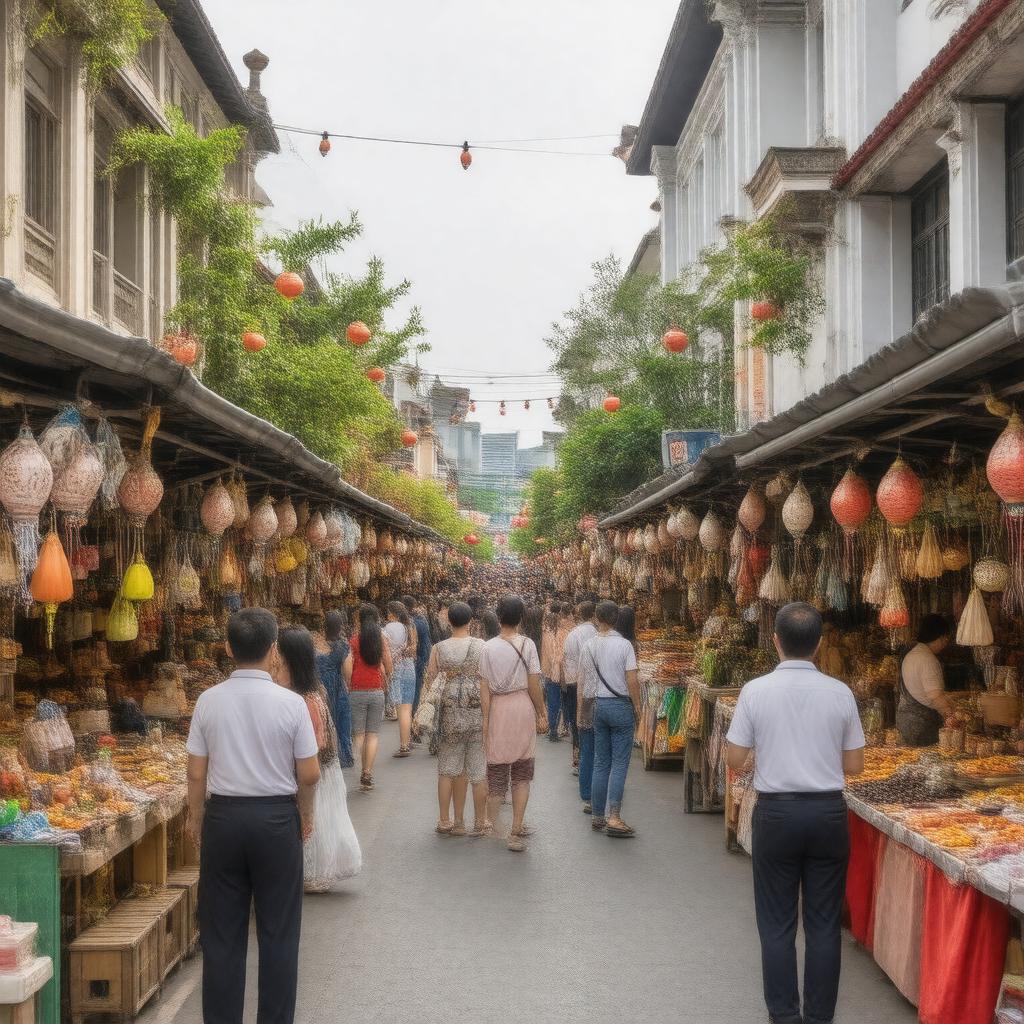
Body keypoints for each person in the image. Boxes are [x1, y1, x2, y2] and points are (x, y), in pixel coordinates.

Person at [726, 602, 865, 1024]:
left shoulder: (755, 691)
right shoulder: (840, 692)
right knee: (824, 925)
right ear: (820, 645)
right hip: (827, 815)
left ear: (775, 641)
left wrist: (765, 758)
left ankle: (784, 1016)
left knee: (776, 925)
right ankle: (819, 1017)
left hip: (777, 816)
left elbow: (735, 756)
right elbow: (855, 765)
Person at [185, 608, 320, 1024]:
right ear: (274, 650)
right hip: (277, 820)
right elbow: (310, 773)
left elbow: (195, 771)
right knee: (279, 933)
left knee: (222, 936)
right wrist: (304, 814)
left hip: (224, 819)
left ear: (228, 648)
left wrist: (195, 818)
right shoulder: (292, 703)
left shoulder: (208, 701)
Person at [277, 627, 362, 891]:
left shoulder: (306, 699)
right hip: (316, 769)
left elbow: (314, 747)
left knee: (314, 820)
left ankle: (311, 873)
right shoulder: (310, 690)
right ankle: (309, 872)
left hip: (312, 771)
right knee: (319, 820)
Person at [479, 595, 547, 852]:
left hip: (498, 708)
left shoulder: (487, 648)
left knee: (496, 770)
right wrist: (541, 713)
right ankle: (516, 828)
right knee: (522, 771)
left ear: (498, 618)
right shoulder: (528, 645)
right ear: (521, 618)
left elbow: (484, 688)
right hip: (522, 708)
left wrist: (486, 720)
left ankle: (494, 826)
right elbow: (533, 683)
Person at [419, 601, 489, 837]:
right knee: (478, 770)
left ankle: (449, 820)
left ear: (448, 621)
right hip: (476, 707)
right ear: (471, 621)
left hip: (450, 710)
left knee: (448, 768)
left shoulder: (439, 648)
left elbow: (430, 679)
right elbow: (487, 679)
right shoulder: (481, 646)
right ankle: (480, 822)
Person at [580, 600, 641, 837]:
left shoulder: (589, 646)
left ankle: (597, 815)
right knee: (619, 763)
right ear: (615, 619)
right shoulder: (625, 645)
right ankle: (614, 816)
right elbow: (632, 680)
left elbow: (585, 683)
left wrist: (584, 710)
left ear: (597, 618)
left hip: (598, 706)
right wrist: (637, 707)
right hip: (620, 706)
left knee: (600, 762)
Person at [344, 604, 393, 792]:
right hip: (376, 690)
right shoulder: (380, 640)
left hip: (357, 690)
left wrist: (350, 682)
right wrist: (386, 675)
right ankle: (367, 771)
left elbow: (348, 664)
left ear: (360, 620)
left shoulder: (354, 640)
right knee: (372, 734)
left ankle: (359, 768)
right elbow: (388, 664)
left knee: (359, 734)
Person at [896, 613, 953, 746]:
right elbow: (935, 696)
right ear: (941, 637)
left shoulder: (911, 652)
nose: (945, 643)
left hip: (905, 720)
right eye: (946, 639)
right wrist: (950, 717)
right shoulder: (928, 659)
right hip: (922, 725)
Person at [564, 600, 597, 802]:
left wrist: (567, 685)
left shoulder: (573, 634)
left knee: (580, 728)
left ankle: (579, 762)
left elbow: (568, 661)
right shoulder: (598, 635)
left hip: (577, 684)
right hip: (597, 690)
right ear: (593, 615)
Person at [314, 609, 353, 768]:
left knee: (323, 720)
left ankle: (325, 754)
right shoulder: (343, 646)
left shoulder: (315, 646)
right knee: (342, 721)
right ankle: (344, 756)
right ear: (340, 626)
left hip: (319, 686)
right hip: (337, 686)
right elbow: (347, 672)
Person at [384, 601, 418, 757]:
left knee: (401, 709)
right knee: (408, 707)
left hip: (397, 668)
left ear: (393, 614)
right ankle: (408, 739)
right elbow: (414, 649)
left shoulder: (389, 629)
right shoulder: (410, 627)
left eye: (388, 613)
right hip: (409, 666)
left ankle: (404, 745)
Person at [404, 594, 433, 720]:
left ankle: (413, 711)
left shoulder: (414, 622)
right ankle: (413, 710)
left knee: (415, 684)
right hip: (423, 655)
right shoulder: (421, 618)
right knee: (417, 683)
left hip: (418, 657)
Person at [540, 602, 564, 743]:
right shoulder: (563, 632)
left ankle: (553, 729)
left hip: (549, 671)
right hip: (562, 672)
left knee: (553, 701)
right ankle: (559, 728)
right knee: (561, 701)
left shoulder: (545, 632)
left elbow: (547, 652)